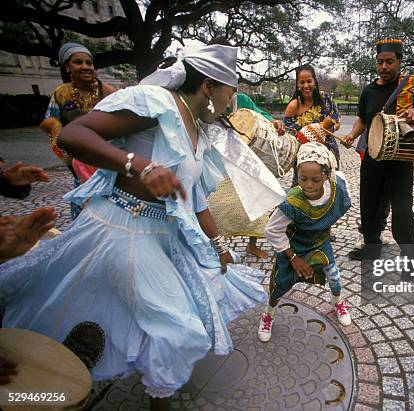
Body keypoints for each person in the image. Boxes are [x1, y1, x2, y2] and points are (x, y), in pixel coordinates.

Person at [0, 44, 284, 411]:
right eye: (232, 89)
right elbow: (74, 136)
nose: (234, 98)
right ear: (210, 86)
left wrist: (219, 246)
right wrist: (140, 165)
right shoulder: (157, 102)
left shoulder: (200, 131)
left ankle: (153, 398)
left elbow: (194, 199)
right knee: (173, 332)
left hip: (164, 237)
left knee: (161, 327)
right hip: (119, 228)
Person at [341, 39, 414, 260]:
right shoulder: (369, 90)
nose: (384, 67)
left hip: (401, 158)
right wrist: (351, 135)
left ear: (399, 61)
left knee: (403, 207)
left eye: (389, 62)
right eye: (380, 62)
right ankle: (371, 247)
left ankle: (410, 252)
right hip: (373, 157)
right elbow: (363, 120)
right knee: (369, 203)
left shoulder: (412, 85)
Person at [258, 142, 352, 342]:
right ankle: (268, 314)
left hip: (320, 241)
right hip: (293, 245)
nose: (309, 185)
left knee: (334, 276)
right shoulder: (292, 202)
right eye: (303, 179)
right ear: (297, 175)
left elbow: (341, 200)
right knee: (280, 284)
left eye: (315, 179)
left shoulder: (338, 187)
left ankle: (338, 301)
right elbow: (272, 230)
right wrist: (293, 257)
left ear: (326, 175)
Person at [41, 42, 116, 218]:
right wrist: (69, 158)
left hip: (109, 157)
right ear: (67, 67)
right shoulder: (62, 92)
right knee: (85, 210)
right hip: (79, 160)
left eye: (89, 63)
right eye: (78, 62)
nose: (85, 67)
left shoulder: (106, 90)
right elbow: (50, 125)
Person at [207, 92, 286, 259]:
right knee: (214, 203)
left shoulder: (241, 100)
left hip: (242, 157)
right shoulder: (205, 100)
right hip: (215, 159)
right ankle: (216, 244)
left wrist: (273, 122)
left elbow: (259, 113)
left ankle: (252, 245)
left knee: (255, 198)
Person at [284, 64, 341, 167]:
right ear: (297, 84)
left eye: (309, 81)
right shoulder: (293, 106)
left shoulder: (326, 99)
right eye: (302, 82)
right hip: (305, 159)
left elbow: (337, 123)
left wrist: (324, 130)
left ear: (315, 82)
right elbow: (289, 137)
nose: (306, 86)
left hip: (329, 154)